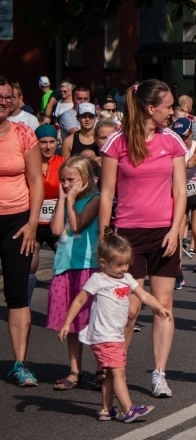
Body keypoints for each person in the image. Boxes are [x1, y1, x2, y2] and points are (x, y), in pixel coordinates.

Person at [98, 79, 187, 397]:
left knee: (163, 306)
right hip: (127, 236)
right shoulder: (117, 143)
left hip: (165, 233)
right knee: (129, 310)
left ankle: (159, 374)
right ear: (151, 109)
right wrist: (103, 236)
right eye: (168, 106)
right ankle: (113, 369)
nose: (172, 111)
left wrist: (176, 230)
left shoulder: (173, 141)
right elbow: (107, 194)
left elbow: (180, 191)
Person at [58, 231, 171, 422]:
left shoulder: (126, 278)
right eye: (118, 264)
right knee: (119, 372)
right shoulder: (99, 280)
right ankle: (128, 409)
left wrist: (159, 307)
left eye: (126, 263)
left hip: (116, 335)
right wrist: (68, 322)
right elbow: (80, 300)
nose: (123, 268)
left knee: (110, 373)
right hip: (104, 336)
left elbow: (144, 295)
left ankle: (106, 409)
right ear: (103, 262)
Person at [0, 77, 43, 387]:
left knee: (17, 295)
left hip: (16, 223)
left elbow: (36, 181)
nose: (3, 101)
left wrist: (32, 223)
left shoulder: (23, 134)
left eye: (7, 97)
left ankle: (20, 364)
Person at [47, 156, 101, 390]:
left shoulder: (95, 199)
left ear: (85, 179)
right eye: (63, 180)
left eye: (71, 180)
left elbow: (78, 225)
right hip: (65, 265)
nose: (66, 184)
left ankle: (102, 369)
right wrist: (62, 199)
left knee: (93, 320)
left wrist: (70, 202)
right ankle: (74, 370)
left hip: (88, 265)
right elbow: (57, 229)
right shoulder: (65, 198)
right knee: (71, 321)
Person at [171, 118, 196, 288]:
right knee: (177, 235)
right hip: (179, 196)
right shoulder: (170, 149)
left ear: (191, 134)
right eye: (178, 137)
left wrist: (182, 164)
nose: (182, 140)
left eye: (185, 137)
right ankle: (177, 273)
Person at [31, 124, 64, 302]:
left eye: (52, 142)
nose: (48, 146)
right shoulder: (29, 163)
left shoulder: (63, 163)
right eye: (43, 142)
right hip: (35, 221)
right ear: (36, 143)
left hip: (57, 222)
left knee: (63, 260)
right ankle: (24, 302)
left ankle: (62, 300)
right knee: (30, 260)